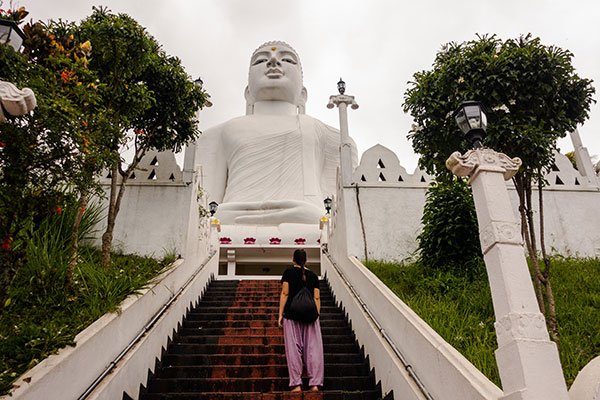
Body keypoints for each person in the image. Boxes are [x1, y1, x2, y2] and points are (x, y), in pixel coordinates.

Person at [197, 41, 357, 228]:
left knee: (316, 216)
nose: (273, 61)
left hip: (306, 216)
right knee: (218, 217)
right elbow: (207, 206)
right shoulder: (219, 133)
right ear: (248, 93)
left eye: (287, 59)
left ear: (302, 95)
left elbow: (337, 205)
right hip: (233, 216)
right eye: (261, 60)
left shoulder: (329, 136)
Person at [278, 249, 324, 392]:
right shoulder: (313, 276)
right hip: (311, 317)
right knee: (313, 350)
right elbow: (317, 298)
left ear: (293, 260)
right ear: (306, 260)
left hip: (292, 315)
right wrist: (316, 315)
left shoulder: (288, 273)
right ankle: (315, 384)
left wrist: (280, 314)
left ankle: (297, 384)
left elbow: (285, 293)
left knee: (293, 349)